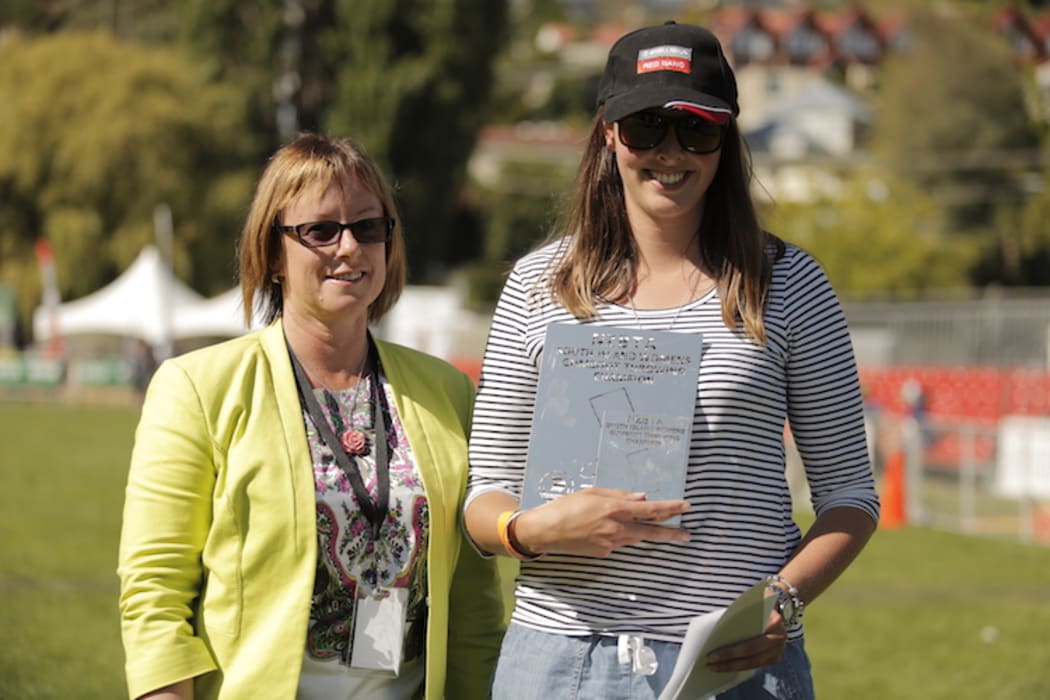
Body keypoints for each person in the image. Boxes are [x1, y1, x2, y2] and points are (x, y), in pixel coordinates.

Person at [463, 21, 879, 699]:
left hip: (734, 662)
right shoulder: (536, 286)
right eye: (646, 127)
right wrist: (533, 530)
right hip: (560, 661)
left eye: (696, 129)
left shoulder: (790, 283)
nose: (670, 151)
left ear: (727, 137)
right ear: (609, 133)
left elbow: (850, 497)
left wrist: (782, 600)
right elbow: (485, 496)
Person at [117, 133, 504, 700]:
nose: (349, 247)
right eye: (321, 230)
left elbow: (473, 603)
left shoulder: (445, 391)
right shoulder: (198, 388)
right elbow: (155, 591)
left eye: (368, 227)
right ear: (273, 253)